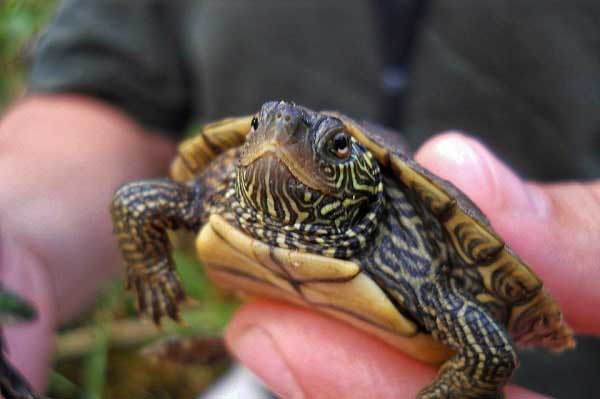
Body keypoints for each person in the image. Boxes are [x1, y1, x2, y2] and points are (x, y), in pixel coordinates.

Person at [2, 1, 599, 398]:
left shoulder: (409, 239)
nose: (277, 136)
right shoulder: (225, 186)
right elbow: (117, 136)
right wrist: (17, 237)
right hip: (262, 361)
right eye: (265, 125)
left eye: (334, 148)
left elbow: (490, 353)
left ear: (363, 176)